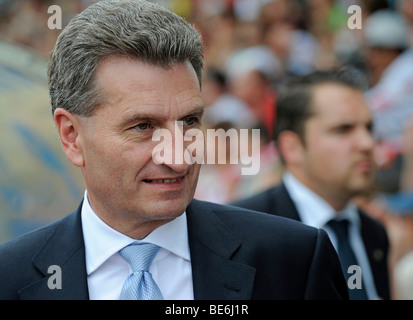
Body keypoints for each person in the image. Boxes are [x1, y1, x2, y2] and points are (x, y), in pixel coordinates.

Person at [0, 0, 348, 300]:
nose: (178, 156)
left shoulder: (293, 261)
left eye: (190, 121)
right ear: (72, 136)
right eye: (143, 127)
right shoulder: (10, 278)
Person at [233, 68, 391, 300]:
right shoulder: (242, 232)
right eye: (343, 129)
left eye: (368, 128)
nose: (367, 143)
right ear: (292, 147)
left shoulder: (374, 233)